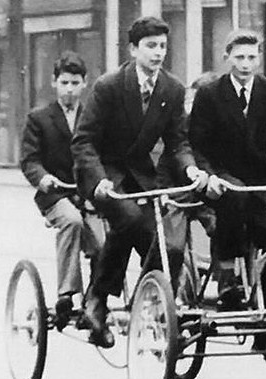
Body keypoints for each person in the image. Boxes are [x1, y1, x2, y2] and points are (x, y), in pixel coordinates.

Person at [71, 16, 207, 348]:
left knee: (165, 243)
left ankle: (151, 300)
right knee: (129, 219)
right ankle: (97, 298)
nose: (158, 53)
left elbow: (178, 143)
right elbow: (84, 141)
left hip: (140, 175)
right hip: (103, 172)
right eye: (150, 46)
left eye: (163, 46)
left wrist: (190, 169)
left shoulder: (172, 89)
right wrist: (99, 180)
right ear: (133, 49)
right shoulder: (109, 86)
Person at [189, 29, 266, 352]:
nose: (245, 64)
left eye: (251, 57)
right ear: (227, 58)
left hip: (263, 183)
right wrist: (209, 176)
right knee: (234, 198)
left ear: (259, 58)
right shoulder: (210, 94)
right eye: (239, 57)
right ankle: (228, 280)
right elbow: (197, 146)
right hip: (222, 180)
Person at [20, 51, 104, 331]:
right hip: (55, 194)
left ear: (85, 84)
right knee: (72, 220)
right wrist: (42, 178)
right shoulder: (39, 118)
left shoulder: (93, 118)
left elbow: (102, 154)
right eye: (64, 83)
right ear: (54, 82)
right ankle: (66, 293)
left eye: (75, 83)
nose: (69, 89)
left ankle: (95, 298)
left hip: (86, 193)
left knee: (104, 242)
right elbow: (29, 160)